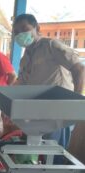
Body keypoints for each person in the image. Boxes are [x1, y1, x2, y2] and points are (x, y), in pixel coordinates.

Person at [13, 14, 85, 148]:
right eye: (16, 32)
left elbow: (79, 69)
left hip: (58, 110)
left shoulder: (51, 46)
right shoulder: (25, 58)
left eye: (24, 28)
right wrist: (5, 98)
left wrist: (76, 102)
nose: (20, 34)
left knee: (54, 151)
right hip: (37, 111)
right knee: (36, 151)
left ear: (37, 28)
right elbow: (21, 82)